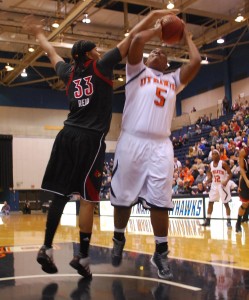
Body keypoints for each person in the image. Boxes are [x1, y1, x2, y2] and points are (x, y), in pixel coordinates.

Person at [22, 10, 178, 278]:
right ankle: (82, 257)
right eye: (96, 49)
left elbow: (51, 53)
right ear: (90, 55)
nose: (100, 50)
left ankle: (46, 247)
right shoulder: (101, 65)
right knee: (86, 200)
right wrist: (154, 19)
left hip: (66, 134)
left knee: (59, 195)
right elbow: (131, 38)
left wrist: (38, 34)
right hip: (90, 139)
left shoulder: (69, 72)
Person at [110, 17, 201, 280]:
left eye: (161, 52)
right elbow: (137, 41)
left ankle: (161, 252)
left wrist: (187, 37)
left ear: (167, 63)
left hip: (161, 144)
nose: (157, 52)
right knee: (123, 198)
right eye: (154, 52)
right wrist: (159, 30)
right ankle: (118, 238)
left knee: (160, 202)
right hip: (132, 140)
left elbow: (195, 62)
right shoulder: (136, 71)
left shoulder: (173, 79)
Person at [201, 149, 233, 228]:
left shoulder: (223, 163)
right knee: (210, 202)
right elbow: (210, 177)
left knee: (226, 204)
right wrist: (206, 182)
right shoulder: (211, 165)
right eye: (212, 154)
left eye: (215, 154)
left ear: (219, 155)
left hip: (222, 185)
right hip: (214, 185)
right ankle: (208, 220)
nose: (214, 155)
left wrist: (226, 181)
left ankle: (228, 220)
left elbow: (230, 174)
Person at [235, 143, 249, 233]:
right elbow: (242, 169)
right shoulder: (243, 152)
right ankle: (238, 223)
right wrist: (245, 181)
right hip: (246, 179)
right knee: (245, 204)